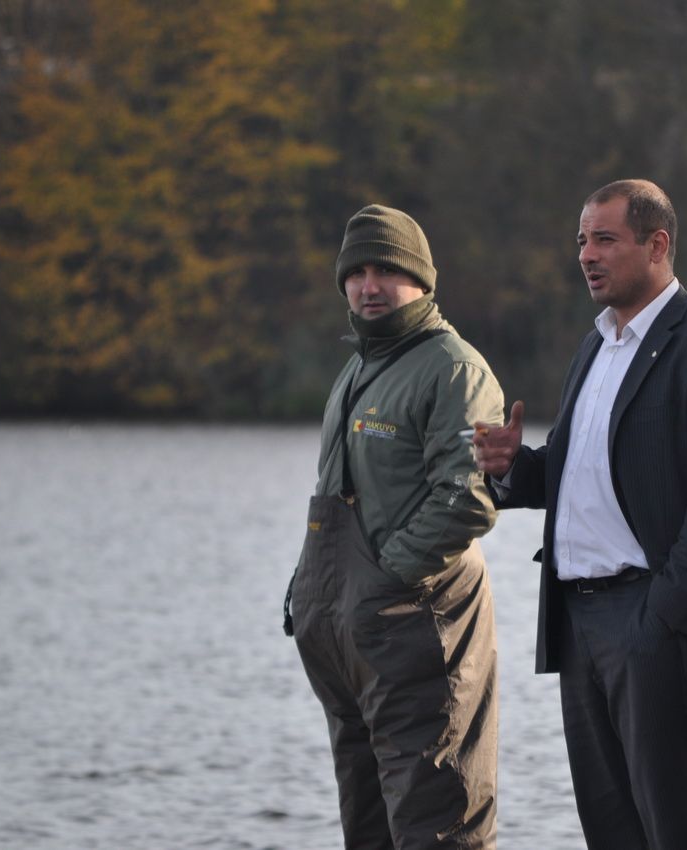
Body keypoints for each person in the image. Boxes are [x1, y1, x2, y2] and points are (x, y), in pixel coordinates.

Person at [473, 179, 687, 850]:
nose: (586, 255)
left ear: (657, 245)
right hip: (578, 624)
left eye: (604, 239)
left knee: (677, 832)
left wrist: (659, 621)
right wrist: (512, 467)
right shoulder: (597, 344)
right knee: (610, 833)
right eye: (581, 241)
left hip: (651, 620)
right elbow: (578, 470)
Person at [284, 205, 504, 849]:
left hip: (416, 631)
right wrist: (313, 595)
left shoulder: (454, 369)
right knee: (368, 825)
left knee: (439, 822)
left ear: (422, 280)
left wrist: (384, 584)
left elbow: (467, 498)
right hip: (349, 645)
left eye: (386, 271)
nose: (369, 286)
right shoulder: (356, 368)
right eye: (356, 273)